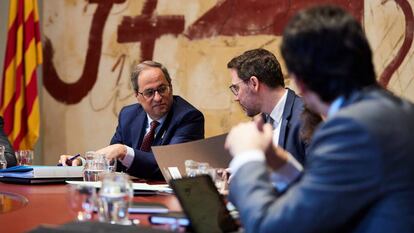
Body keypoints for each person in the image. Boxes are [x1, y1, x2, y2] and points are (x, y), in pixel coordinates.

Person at [225, 5, 414, 233]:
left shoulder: (351, 129)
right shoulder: (400, 110)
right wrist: (278, 162)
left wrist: (247, 156)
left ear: (301, 80)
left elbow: (271, 228)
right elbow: (323, 197)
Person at [60, 61, 204, 180]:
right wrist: (82, 162)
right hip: (132, 196)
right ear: (137, 95)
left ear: (171, 87)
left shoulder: (188, 117)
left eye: (162, 89)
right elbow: (113, 160)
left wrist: (123, 151)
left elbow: (169, 167)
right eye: (149, 92)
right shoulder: (128, 115)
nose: (158, 97)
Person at [227, 48, 307, 164]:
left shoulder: (306, 118)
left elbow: (321, 178)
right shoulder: (262, 121)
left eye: (236, 88)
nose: (236, 98)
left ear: (254, 83)